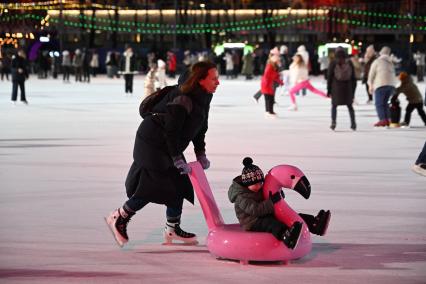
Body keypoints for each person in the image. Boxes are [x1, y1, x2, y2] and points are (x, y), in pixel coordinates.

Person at [105, 61, 220, 247]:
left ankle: (172, 228)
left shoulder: (204, 96)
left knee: (179, 183)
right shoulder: (182, 98)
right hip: (152, 142)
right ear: (200, 80)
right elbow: (171, 131)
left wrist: (201, 153)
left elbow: (200, 128)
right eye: (214, 78)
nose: (218, 82)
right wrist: (176, 158)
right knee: (154, 184)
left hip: (167, 143)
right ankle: (119, 216)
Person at [228, 157, 331, 249]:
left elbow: (268, 197)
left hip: (265, 212)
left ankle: (314, 224)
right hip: (253, 221)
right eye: (255, 184)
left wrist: (278, 194)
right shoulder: (241, 197)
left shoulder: (257, 189)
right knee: (272, 224)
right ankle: (286, 236)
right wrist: (271, 202)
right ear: (247, 184)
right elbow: (255, 210)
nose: (259, 186)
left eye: (260, 183)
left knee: (292, 217)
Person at [327, 47, 357, 131]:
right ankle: (353, 123)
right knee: (350, 106)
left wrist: (328, 90)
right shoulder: (349, 62)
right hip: (347, 88)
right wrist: (353, 91)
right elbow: (353, 77)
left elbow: (329, 77)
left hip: (336, 88)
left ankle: (333, 122)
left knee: (334, 106)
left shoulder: (333, 62)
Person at [368, 46, 396, 127]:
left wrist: (370, 85)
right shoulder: (390, 62)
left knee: (379, 103)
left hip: (381, 84)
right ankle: (388, 119)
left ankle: (383, 120)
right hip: (391, 85)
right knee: (385, 103)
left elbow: (371, 74)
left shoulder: (377, 61)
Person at [261, 50, 283, 117]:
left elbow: (275, 76)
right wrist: (276, 75)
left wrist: (280, 82)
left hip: (270, 84)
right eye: (277, 60)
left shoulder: (274, 66)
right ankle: (268, 112)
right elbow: (267, 75)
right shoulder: (270, 65)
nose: (278, 61)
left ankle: (270, 111)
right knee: (268, 99)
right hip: (266, 84)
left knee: (271, 98)